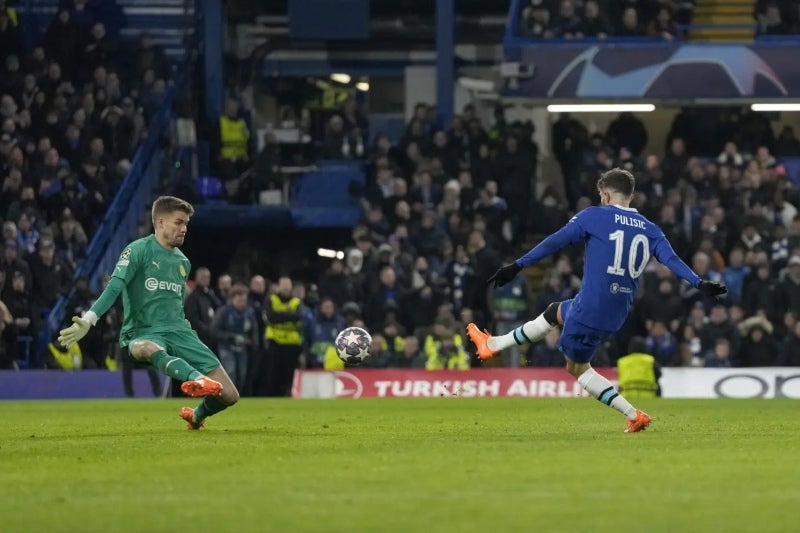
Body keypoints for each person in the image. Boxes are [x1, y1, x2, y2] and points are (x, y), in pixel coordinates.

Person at [467, 168, 726, 432]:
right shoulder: (651, 229)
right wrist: (698, 282)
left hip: (591, 307)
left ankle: (633, 414)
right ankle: (494, 344)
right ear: (631, 196)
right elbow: (671, 260)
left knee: (577, 369)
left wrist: (518, 265)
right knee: (556, 311)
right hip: (617, 312)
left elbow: (555, 242)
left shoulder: (594, 216)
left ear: (604, 195)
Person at [58, 196, 239, 429]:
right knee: (147, 348)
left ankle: (195, 417)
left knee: (230, 395)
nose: (184, 229)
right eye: (179, 222)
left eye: (186, 224)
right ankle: (197, 379)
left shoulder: (183, 262)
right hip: (143, 332)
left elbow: (174, 305)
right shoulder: (137, 250)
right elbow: (115, 287)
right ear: (160, 222)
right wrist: (89, 319)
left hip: (180, 332)